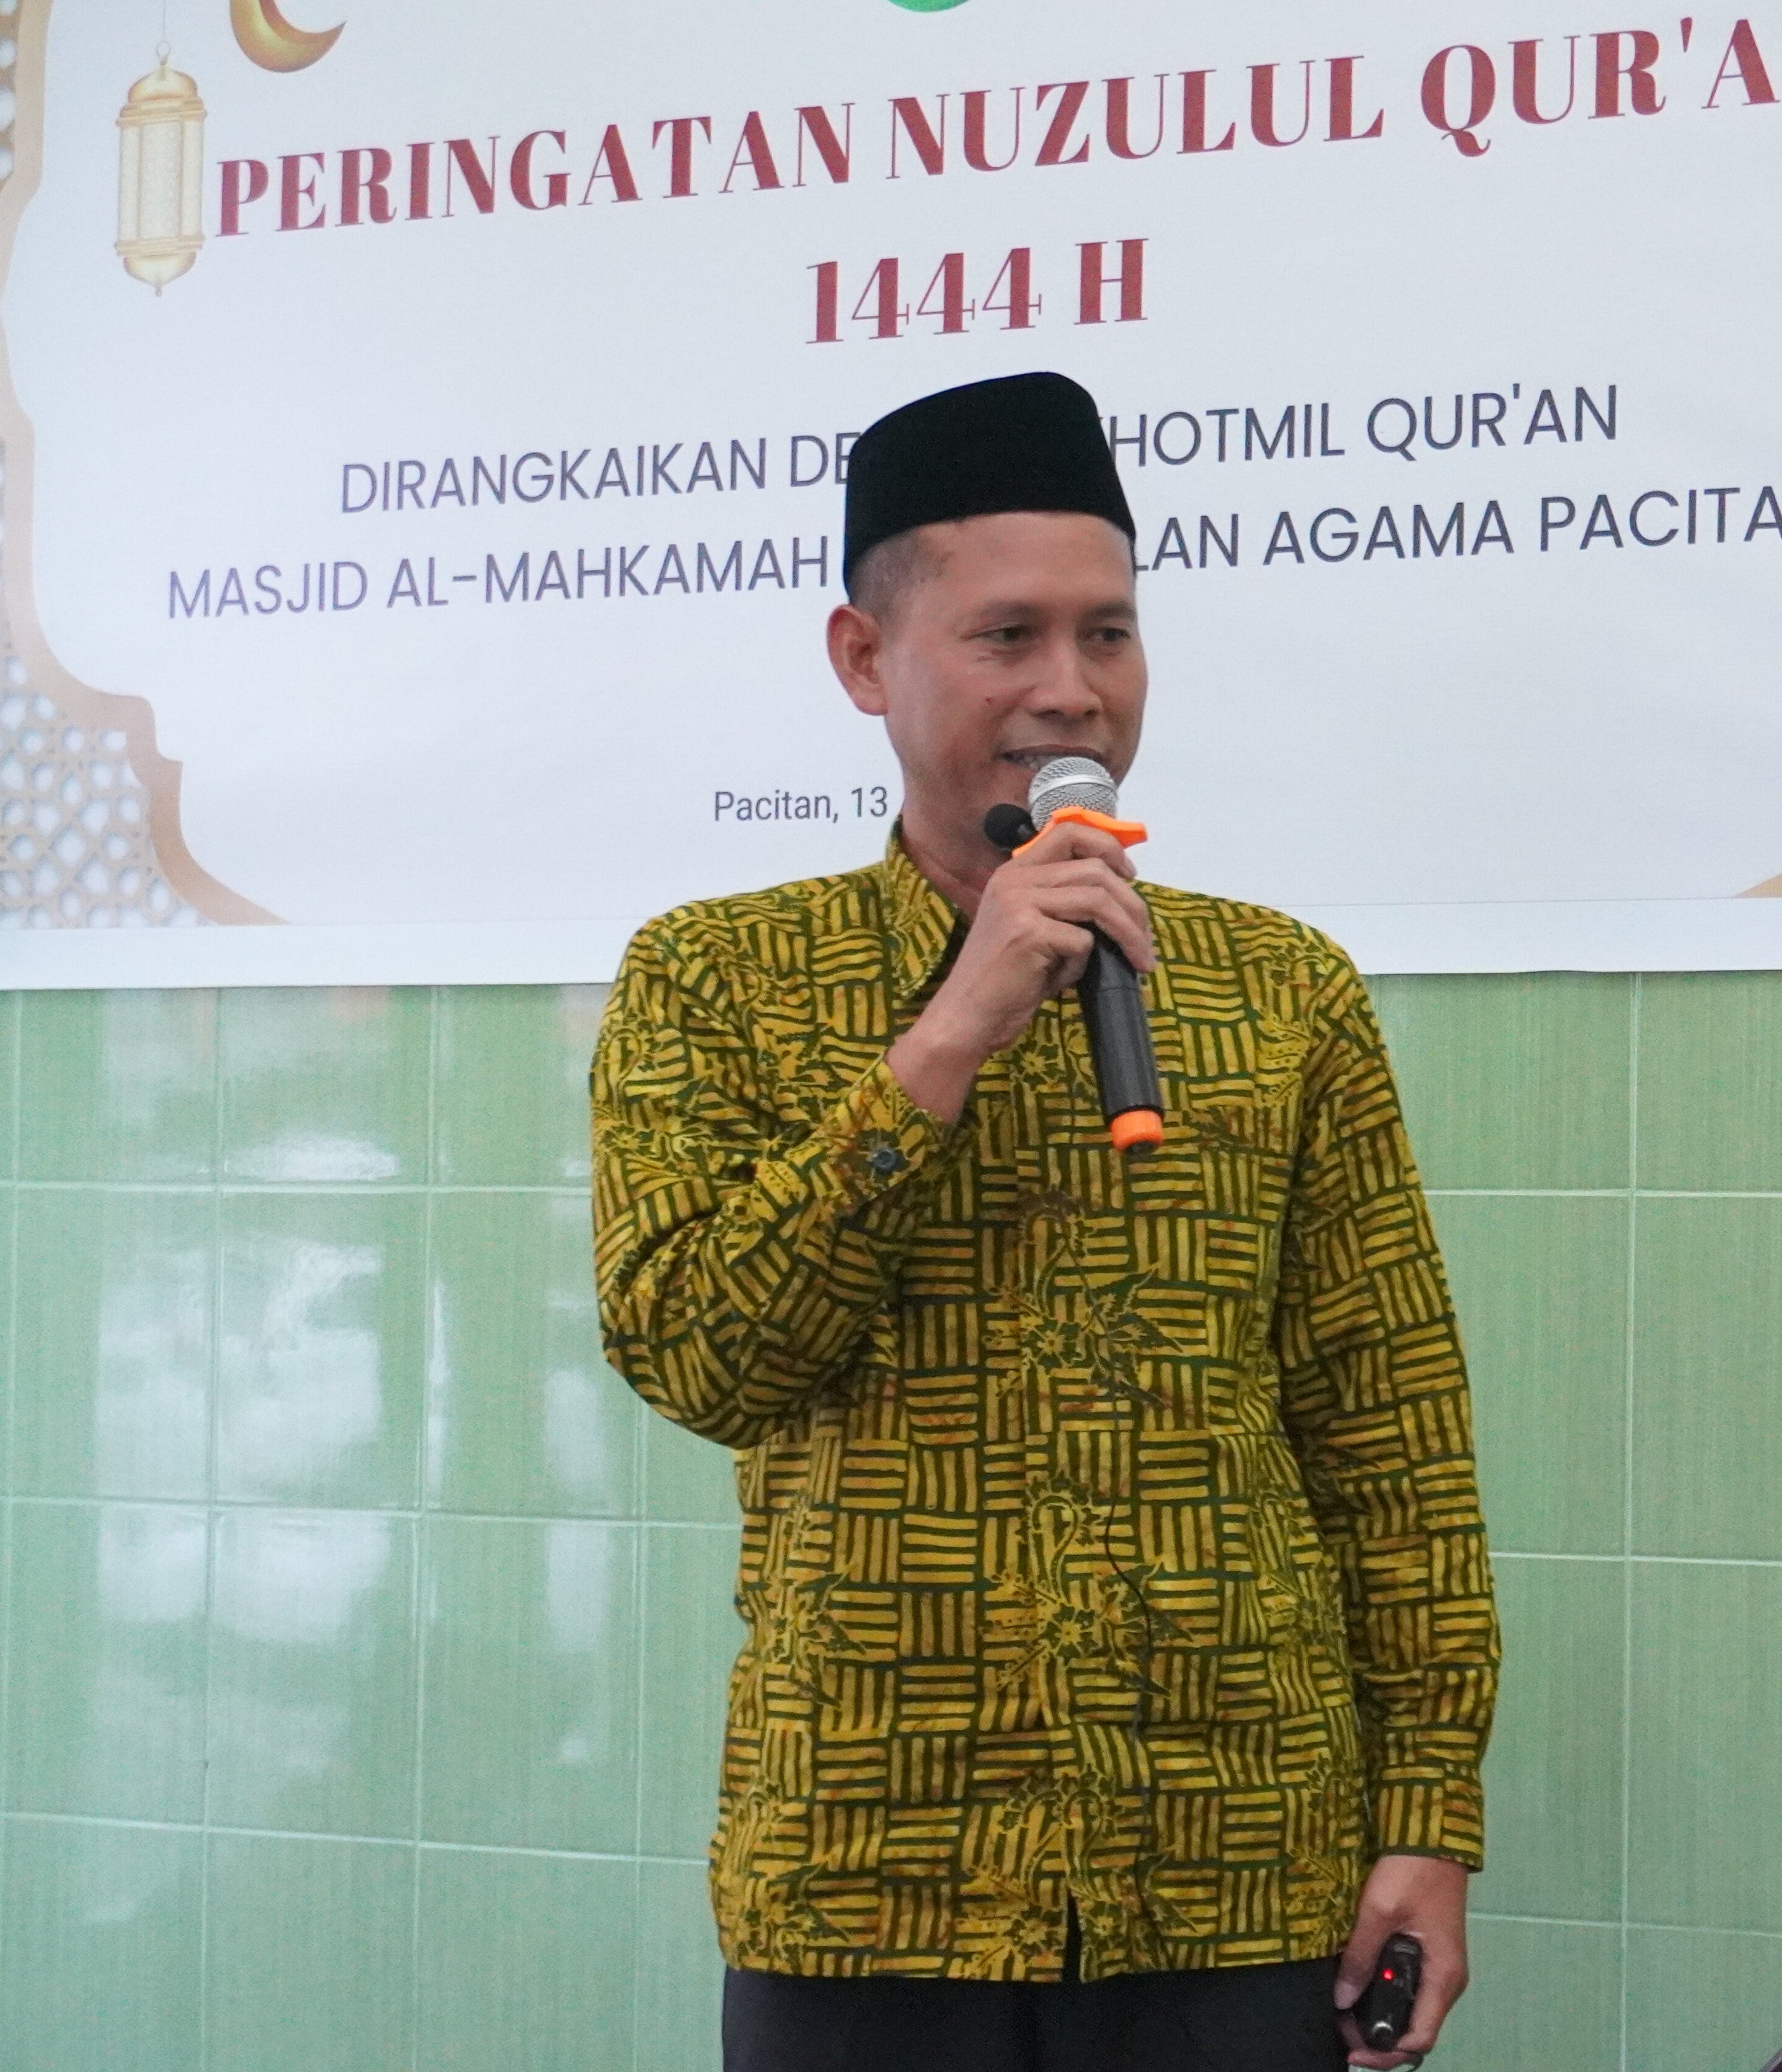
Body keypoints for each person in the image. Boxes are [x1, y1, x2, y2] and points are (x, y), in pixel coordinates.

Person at [590, 370, 1499, 2072]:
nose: (1071, 688)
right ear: (866, 659)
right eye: (1008, 635)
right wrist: (949, 1036)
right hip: (871, 1876)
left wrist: (1430, 1816)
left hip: (1238, 1869)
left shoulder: (1280, 988)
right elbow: (702, 1356)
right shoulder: (715, 978)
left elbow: (1392, 1441)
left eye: (1110, 634)